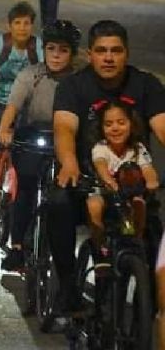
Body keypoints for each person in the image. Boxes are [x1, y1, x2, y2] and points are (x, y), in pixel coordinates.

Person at [50, 19, 165, 313]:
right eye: (101, 51)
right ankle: (67, 287)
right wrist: (69, 162)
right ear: (90, 54)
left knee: (154, 242)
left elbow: (162, 126)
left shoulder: (146, 85)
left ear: (127, 53)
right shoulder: (73, 86)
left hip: (132, 184)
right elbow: (64, 128)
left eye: (116, 50)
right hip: (87, 181)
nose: (109, 58)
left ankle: (144, 310)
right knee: (58, 205)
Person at [0, 20, 79, 271]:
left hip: (66, 141)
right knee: (26, 188)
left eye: (63, 50)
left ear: (73, 54)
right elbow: (13, 107)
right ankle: (17, 246)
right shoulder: (30, 75)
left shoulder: (78, 80)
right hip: (32, 137)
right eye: (51, 48)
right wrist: (4, 129)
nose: (56, 55)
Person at [0, 2, 42, 200]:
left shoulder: (37, 45)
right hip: (1, 99)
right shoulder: (0, 44)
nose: (22, 28)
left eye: (26, 23)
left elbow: (43, 73)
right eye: (17, 23)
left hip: (26, 101)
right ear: (9, 25)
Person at [86, 101, 159, 247]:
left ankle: (136, 239)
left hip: (130, 194)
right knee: (93, 205)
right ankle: (100, 245)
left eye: (121, 123)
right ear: (102, 128)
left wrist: (152, 180)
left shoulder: (137, 148)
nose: (115, 128)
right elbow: (101, 165)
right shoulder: (101, 148)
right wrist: (108, 180)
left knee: (139, 204)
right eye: (108, 124)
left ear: (131, 124)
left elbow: (147, 168)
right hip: (105, 193)